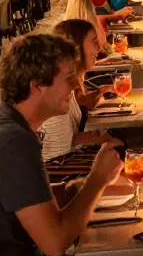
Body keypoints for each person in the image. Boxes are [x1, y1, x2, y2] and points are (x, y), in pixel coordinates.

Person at [0, 34, 141, 256]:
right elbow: (56, 243)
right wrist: (97, 180)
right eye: (69, 78)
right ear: (37, 84)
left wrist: (75, 187)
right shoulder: (11, 142)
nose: (77, 87)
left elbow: (22, 198)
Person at [39, 20, 117, 161]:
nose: (99, 48)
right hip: (62, 169)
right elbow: (57, 156)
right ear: (76, 47)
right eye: (94, 41)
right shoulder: (58, 89)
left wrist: (97, 136)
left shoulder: (68, 82)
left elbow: (68, 137)